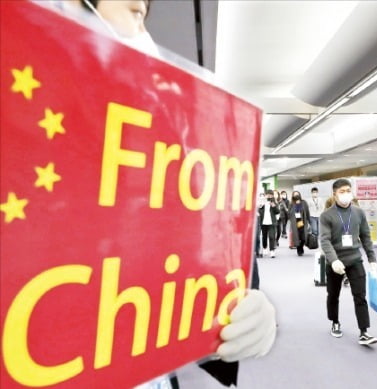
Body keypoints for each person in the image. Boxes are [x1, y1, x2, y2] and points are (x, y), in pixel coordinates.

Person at [62, 1, 277, 387]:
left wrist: (232, 317)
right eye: (131, 11)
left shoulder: (173, 157)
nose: (143, 33)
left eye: (143, 15)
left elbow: (203, 264)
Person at [320, 178, 377, 346]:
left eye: (348, 191)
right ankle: (335, 321)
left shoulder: (359, 213)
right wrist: (333, 260)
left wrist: (372, 258)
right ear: (335, 194)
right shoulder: (327, 215)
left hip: (355, 260)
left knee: (360, 296)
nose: (346, 194)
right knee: (333, 295)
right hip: (335, 262)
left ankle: (364, 331)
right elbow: (325, 240)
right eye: (342, 192)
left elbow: (366, 237)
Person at [258, 190, 280, 258]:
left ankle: (272, 251)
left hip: (272, 222)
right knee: (264, 236)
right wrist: (261, 205)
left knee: (272, 237)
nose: (269, 196)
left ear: (272, 195)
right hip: (263, 222)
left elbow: (277, 212)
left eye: (270, 195)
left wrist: (273, 206)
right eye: (267, 194)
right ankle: (264, 248)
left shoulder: (274, 202)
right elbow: (259, 211)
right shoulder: (262, 201)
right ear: (265, 195)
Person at [288, 190, 310, 256]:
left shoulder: (304, 202)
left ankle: (301, 246)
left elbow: (307, 212)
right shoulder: (291, 203)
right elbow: (289, 213)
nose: (296, 196)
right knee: (297, 236)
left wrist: (309, 221)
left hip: (302, 221)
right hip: (295, 222)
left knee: (303, 237)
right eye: (295, 195)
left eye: (297, 194)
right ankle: (299, 249)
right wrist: (295, 205)